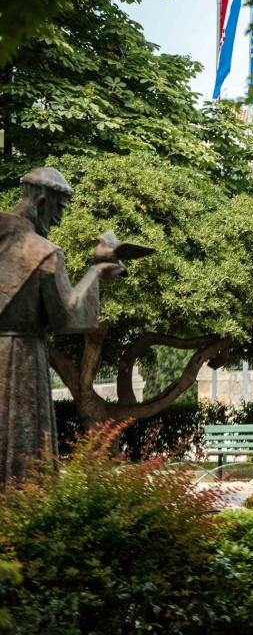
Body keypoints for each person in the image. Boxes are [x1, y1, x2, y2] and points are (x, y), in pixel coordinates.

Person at [0, 168, 125, 486]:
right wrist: (97, 271)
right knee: (25, 459)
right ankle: (24, 512)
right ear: (41, 203)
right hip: (21, 358)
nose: (58, 221)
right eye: (59, 210)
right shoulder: (45, 254)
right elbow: (70, 317)